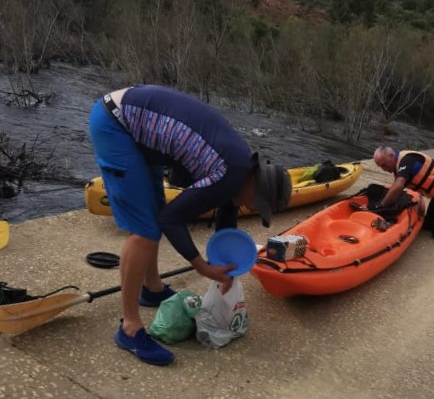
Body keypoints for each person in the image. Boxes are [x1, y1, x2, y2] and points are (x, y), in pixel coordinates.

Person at [89, 84, 292, 366]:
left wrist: (226, 269)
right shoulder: (229, 172)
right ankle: (130, 328)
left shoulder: (240, 168)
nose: (253, 209)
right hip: (117, 124)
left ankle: (153, 289)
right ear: (256, 188)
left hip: (138, 128)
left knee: (153, 213)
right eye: (259, 205)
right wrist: (202, 266)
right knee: (145, 229)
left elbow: (226, 214)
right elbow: (171, 219)